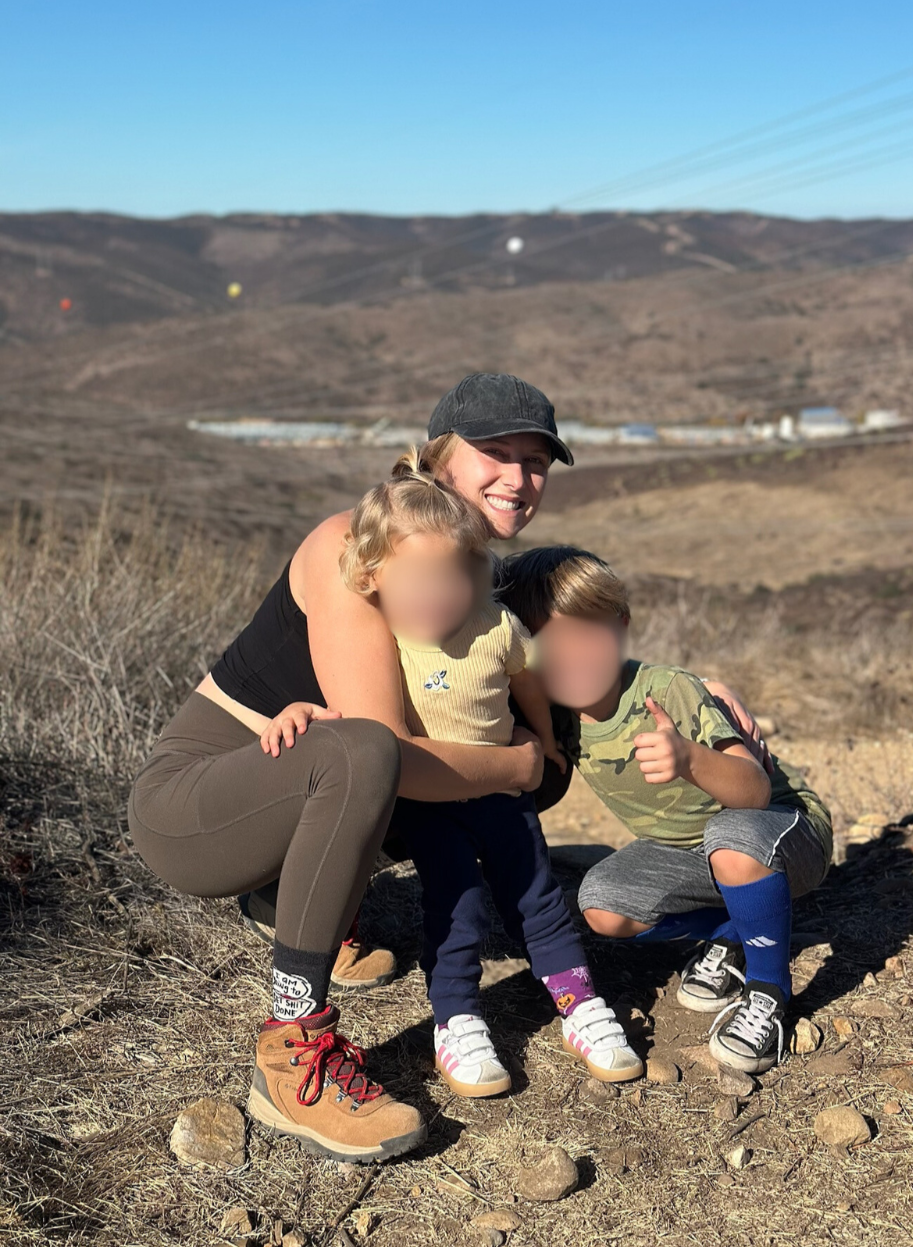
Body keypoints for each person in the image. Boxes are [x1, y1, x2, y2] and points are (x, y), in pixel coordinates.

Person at [128, 372, 767, 1162]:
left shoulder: (467, 577)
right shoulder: (355, 547)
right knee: (378, 750)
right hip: (195, 810)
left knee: (514, 731)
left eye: (536, 461)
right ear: (436, 458)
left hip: (291, 791)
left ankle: (292, 894)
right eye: (495, 453)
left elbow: (569, 653)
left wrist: (695, 692)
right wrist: (513, 765)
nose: (519, 478)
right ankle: (291, 1053)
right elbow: (386, 753)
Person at [335, 447, 642, 1095]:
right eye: (415, 582)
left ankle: (579, 1001)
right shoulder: (381, 640)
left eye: (449, 579)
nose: (434, 598)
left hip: (502, 792)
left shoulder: (492, 624)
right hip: (433, 800)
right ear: (370, 576)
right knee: (459, 905)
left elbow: (523, 675)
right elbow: (355, 708)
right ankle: (455, 1017)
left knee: (535, 895)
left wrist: (542, 736)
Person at [499, 545, 833, 1074]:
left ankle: (770, 992)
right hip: (694, 854)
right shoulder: (556, 715)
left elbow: (753, 791)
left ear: (622, 625)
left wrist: (690, 757)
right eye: (548, 646)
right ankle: (736, 933)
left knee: (732, 835)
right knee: (602, 907)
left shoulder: (665, 690)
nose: (575, 657)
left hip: (783, 833)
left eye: (589, 633)